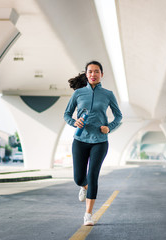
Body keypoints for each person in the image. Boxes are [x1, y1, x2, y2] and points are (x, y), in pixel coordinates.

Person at [64, 60, 123, 226]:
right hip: (80, 140)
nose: (93, 74)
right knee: (78, 178)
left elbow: (119, 116)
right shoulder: (78, 94)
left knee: (93, 175)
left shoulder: (108, 94)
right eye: (90, 71)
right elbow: (67, 114)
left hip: (100, 141)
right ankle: (83, 186)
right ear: (86, 74)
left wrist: (109, 128)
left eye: (96, 71)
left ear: (101, 74)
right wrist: (74, 122)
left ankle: (88, 215)